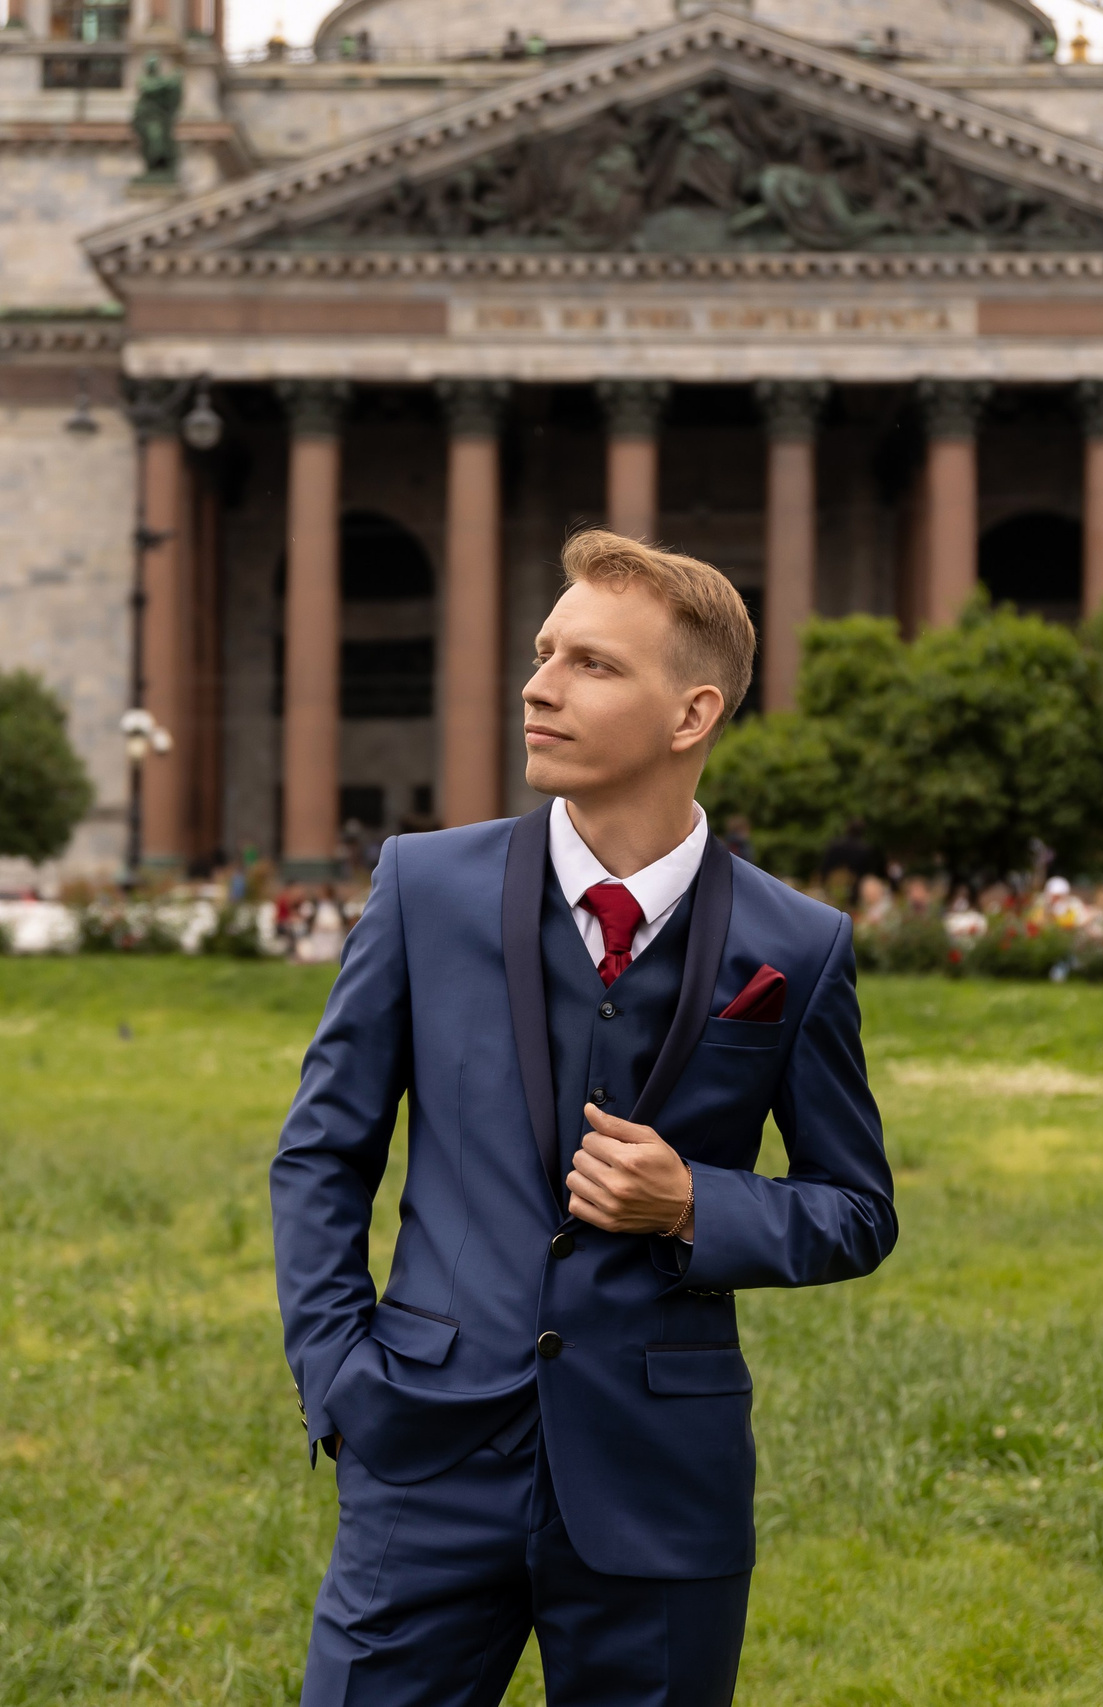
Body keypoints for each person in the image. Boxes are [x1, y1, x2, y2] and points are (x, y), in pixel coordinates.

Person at [269, 529, 896, 1707]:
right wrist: (342, 1385)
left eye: (591, 664)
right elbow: (320, 1152)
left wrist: (695, 1203)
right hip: (424, 1452)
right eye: (544, 651)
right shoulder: (423, 887)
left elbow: (856, 1210)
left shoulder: (796, 947)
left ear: (690, 713)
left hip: (663, 1484)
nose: (538, 684)